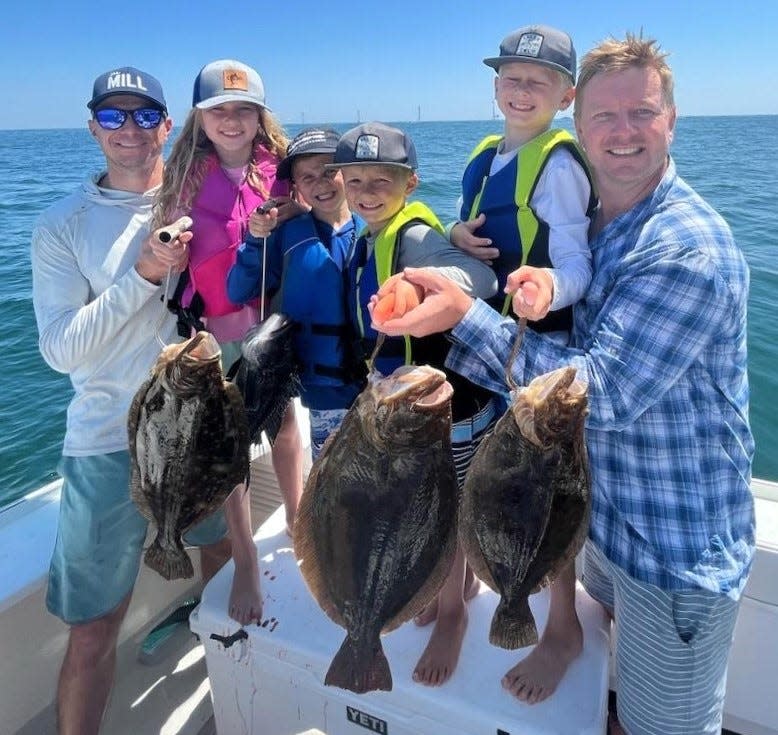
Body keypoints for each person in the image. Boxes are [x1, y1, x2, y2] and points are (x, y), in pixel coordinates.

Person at [371, 34, 755, 735]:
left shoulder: (686, 248)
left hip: (670, 551)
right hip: (602, 517)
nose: (623, 132)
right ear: (578, 127)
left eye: (641, 112)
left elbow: (598, 395)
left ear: (673, 118)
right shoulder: (606, 222)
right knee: (605, 693)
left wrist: (462, 318)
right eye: (605, 118)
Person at [30, 67, 232, 735]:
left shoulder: (200, 201)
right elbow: (59, 350)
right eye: (112, 117)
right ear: (92, 127)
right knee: (93, 630)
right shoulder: (62, 225)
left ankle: (230, 679)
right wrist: (144, 276)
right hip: (104, 443)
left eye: (144, 116)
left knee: (223, 561)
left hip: (200, 425)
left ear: (167, 127)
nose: (129, 130)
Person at [444, 24, 598, 704]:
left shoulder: (559, 165)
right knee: (485, 473)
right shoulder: (484, 155)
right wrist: (452, 235)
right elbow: (465, 221)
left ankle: (562, 624)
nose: (522, 88)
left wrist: (546, 286)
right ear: (495, 85)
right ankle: (477, 578)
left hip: (541, 350)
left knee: (544, 493)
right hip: (485, 345)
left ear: (566, 96)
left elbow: (577, 265)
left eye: (539, 81)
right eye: (511, 76)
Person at [328, 122, 498, 686]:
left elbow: (476, 275)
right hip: (408, 408)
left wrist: (420, 283)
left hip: (451, 409)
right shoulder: (367, 233)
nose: (368, 191)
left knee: (440, 517)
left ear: (411, 183)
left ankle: (453, 614)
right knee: (421, 512)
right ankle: (456, 585)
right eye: (356, 180)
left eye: (383, 179)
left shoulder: (413, 237)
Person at [153, 59, 305, 623]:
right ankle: (243, 558)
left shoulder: (283, 168)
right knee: (230, 447)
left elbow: (324, 212)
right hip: (214, 331)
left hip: (272, 325)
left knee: (286, 427)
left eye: (244, 109)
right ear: (200, 119)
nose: (232, 120)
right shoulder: (186, 176)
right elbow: (166, 245)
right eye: (219, 110)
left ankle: (297, 522)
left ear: (261, 116)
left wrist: (301, 208)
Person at [227, 127, 365, 458]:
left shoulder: (374, 227)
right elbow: (237, 290)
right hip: (322, 391)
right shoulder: (287, 235)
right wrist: (255, 240)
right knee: (332, 481)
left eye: (330, 171)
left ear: (349, 171)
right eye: (307, 177)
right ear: (296, 187)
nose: (320, 183)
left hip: (378, 382)